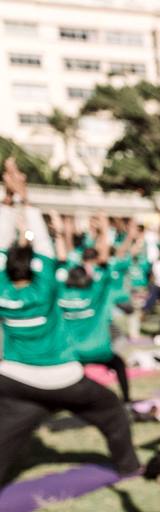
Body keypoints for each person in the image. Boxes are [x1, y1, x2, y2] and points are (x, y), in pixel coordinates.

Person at [0, 160, 138, 484]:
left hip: (13, 378)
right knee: (112, 412)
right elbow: (44, 246)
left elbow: (2, 247)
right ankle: (129, 467)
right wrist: (24, 199)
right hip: (59, 376)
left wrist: (8, 203)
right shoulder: (45, 285)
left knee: (5, 440)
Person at [57, 218, 134, 403]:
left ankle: (70, 402)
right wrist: (104, 229)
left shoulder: (61, 293)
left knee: (69, 376)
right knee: (120, 362)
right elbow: (105, 259)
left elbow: (62, 260)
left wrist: (62, 232)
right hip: (98, 349)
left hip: (72, 352)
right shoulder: (94, 291)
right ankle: (127, 400)